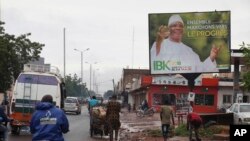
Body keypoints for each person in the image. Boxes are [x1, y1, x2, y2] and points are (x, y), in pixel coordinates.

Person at [151, 14, 220, 74]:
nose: (178, 28)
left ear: (183, 30)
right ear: (169, 29)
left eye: (180, 26)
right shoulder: (160, 45)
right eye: (174, 25)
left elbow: (200, 69)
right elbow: (154, 64)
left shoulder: (189, 51)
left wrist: (211, 57)